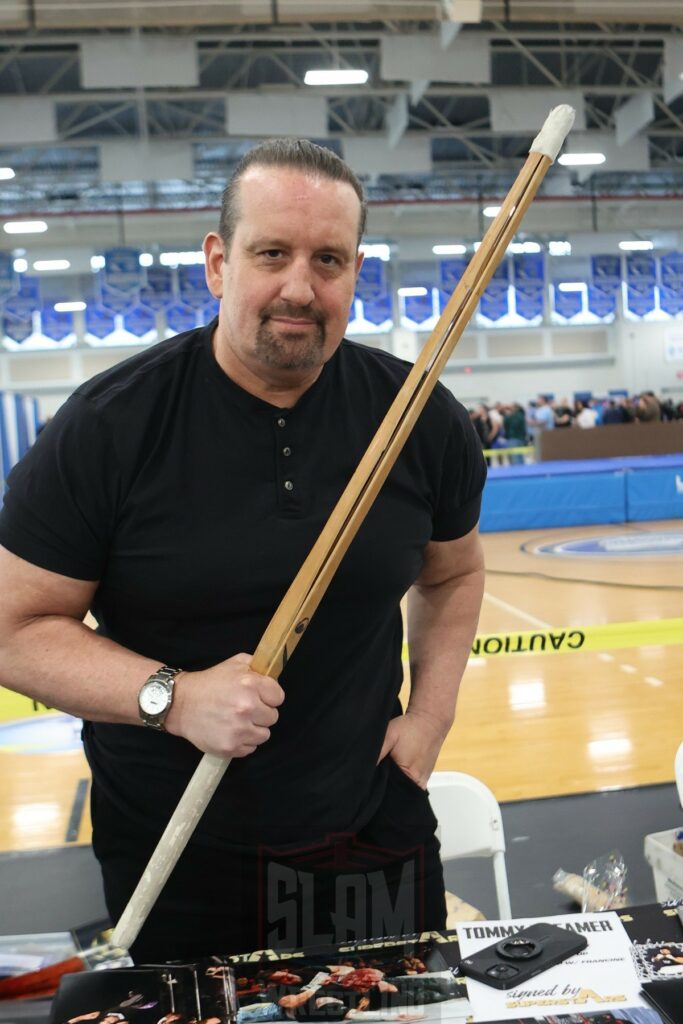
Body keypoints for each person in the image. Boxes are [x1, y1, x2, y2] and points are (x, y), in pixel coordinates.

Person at [0, 139, 486, 963]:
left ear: (354, 272)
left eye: (326, 259)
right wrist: (174, 698)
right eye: (272, 254)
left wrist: (429, 719)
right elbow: (14, 627)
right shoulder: (110, 426)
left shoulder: (419, 417)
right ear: (219, 263)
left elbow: (455, 570)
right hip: (178, 848)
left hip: (370, 828)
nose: (300, 286)